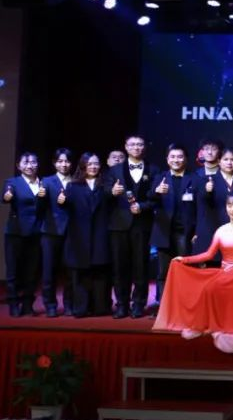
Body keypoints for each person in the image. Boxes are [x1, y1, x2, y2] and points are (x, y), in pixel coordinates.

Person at [154, 193, 233, 352]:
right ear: (226, 208)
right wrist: (185, 259)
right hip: (224, 273)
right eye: (230, 206)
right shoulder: (221, 231)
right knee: (209, 289)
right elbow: (208, 255)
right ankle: (213, 323)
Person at [106, 135, 159, 319]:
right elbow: (104, 192)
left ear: (144, 147)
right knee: (120, 267)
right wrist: (112, 192)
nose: (136, 147)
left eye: (140, 144)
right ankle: (121, 305)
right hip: (118, 224)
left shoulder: (154, 169)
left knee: (141, 267)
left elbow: (156, 198)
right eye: (133, 144)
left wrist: (142, 206)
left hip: (142, 224)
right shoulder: (114, 170)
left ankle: (138, 305)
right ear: (126, 147)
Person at [147, 144, 197, 312]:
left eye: (180, 157)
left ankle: (184, 306)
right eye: (173, 157)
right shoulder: (160, 177)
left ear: (186, 159)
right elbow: (150, 199)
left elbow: (199, 206)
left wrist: (196, 230)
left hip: (185, 232)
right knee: (163, 272)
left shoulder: (194, 178)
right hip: (163, 231)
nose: (176, 160)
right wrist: (156, 191)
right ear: (167, 159)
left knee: (184, 270)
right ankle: (163, 306)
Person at [61, 153, 112, 317]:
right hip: (79, 236)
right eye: (89, 164)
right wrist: (62, 202)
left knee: (100, 272)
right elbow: (67, 210)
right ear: (83, 166)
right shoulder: (72, 186)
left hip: (100, 235)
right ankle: (80, 308)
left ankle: (100, 307)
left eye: (96, 163)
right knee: (80, 274)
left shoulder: (106, 185)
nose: (93, 167)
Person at [3, 152, 46, 316]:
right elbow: (6, 196)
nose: (30, 166)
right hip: (16, 232)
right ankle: (13, 303)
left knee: (32, 270)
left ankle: (28, 303)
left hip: (36, 232)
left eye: (33, 162)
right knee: (13, 269)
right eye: (26, 163)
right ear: (19, 166)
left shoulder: (43, 183)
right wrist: (7, 196)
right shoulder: (12, 183)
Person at [40, 149, 73, 317]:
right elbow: (39, 207)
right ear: (54, 163)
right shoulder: (46, 181)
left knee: (70, 271)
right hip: (50, 231)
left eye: (67, 161)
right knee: (49, 270)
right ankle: (50, 305)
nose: (64, 164)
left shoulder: (77, 181)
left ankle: (68, 304)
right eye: (60, 161)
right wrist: (40, 197)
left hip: (72, 232)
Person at [195, 147, 233, 255]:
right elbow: (202, 204)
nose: (229, 163)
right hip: (214, 229)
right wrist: (207, 191)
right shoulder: (208, 180)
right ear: (219, 161)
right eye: (225, 159)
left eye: (232, 159)